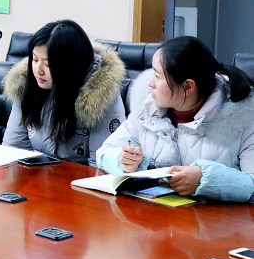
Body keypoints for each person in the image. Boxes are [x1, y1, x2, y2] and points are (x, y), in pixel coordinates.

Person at [97, 36, 254, 202]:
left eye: (157, 76)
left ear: (187, 86)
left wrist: (206, 179)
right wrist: (122, 160)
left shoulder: (244, 117)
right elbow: (104, 152)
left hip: (220, 217)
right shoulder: (147, 110)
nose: (150, 83)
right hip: (159, 214)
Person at [2, 20, 126, 165]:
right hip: (38, 175)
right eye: (34, 59)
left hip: (81, 176)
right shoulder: (25, 83)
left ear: (69, 66)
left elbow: (101, 164)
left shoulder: (99, 95)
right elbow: (13, 149)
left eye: (48, 64)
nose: (38, 70)